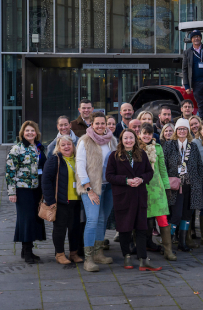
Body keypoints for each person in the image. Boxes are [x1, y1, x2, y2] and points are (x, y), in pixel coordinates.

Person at [106, 129, 161, 271]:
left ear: (135, 139)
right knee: (125, 229)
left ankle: (143, 259)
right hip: (123, 197)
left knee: (142, 228)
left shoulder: (141, 154)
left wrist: (141, 179)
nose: (129, 140)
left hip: (139, 196)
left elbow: (150, 172)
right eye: (126, 138)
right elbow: (109, 176)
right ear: (121, 140)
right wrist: (126, 180)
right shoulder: (114, 156)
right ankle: (127, 257)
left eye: (131, 138)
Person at [76, 112, 117, 272]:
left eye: (103, 123)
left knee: (102, 219)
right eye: (97, 123)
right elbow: (80, 167)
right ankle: (89, 258)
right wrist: (89, 189)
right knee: (92, 220)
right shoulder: (84, 141)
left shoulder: (112, 140)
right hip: (91, 187)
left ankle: (99, 253)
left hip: (109, 187)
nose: (100, 126)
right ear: (91, 124)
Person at [6, 121, 47, 264]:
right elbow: (10, 171)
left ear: (36, 133)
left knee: (35, 218)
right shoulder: (17, 149)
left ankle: (26, 250)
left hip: (37, 189)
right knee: (26, 219)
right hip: (23, 189)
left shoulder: (39, 147)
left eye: (32, 130)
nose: (30, 133)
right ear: (23, 133)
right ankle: (27, 251)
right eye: (27, 131)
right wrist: (12, 192)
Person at [163, 119, 203, 252]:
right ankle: (167, 245)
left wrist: (199, 181)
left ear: (188, 131)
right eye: (179, 129)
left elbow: (199, 165)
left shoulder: (193, 146)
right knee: (176, 215)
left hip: (191, 186)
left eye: (184, 129)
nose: (182, 131)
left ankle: (182, 242)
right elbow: (163, 165)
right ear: (176, 130)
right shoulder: (169, 145)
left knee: (187, 214)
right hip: (175, 186)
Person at [43, 136, 83, 264]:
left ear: (73, 146)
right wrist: (50, 201)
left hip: (76, 200)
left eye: (69, 144)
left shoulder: (78, 160)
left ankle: (73, 253)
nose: (66, 147)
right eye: (63, 145)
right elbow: (46, 181)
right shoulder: (55, 160)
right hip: (60, 202)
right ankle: (59, 254)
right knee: (60, 229)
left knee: (74, 228)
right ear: (58, 147)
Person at [139, 124, 176, 260]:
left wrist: (167, 187)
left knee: (162, 219)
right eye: (144, 133)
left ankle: (168, 250)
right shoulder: (135, 148)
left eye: (149, 133)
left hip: (157, 189)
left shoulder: (158, 148)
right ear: (140, 133)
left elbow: (163, 169)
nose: (147, 136)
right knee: (142, 220)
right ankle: (142, 250)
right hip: (142, 189)